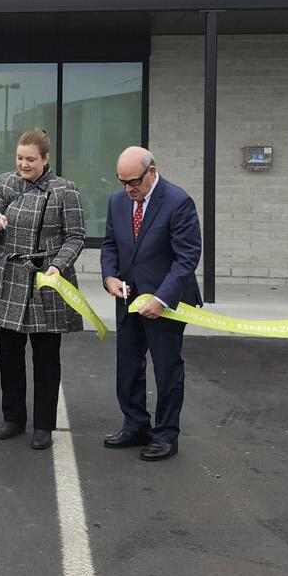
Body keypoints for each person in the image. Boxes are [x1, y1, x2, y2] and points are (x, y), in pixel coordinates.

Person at [0, 128, 85, 451]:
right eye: (19, 158)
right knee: (9, 354)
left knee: (46, 357)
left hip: (46, 279)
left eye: (30, 159)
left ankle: (43, 424)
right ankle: (13, 418)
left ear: (45, 159)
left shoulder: (64, 190)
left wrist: (59, 266)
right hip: (8, 276)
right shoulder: (4, 184)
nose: (23, 164)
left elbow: (76, 237)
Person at [100, 146, 201, 462]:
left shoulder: (178, 202)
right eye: (122, 182)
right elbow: (110, 245)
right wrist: (109, 277)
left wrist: (161, 299)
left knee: (167, 370)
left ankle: (166, 435)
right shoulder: (117, 201)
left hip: (165, 303)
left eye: (133, 182)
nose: (128, 189)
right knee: (128, 367)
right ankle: (135, 426)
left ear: (152, 172)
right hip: (128, 299)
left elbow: (187, 258)